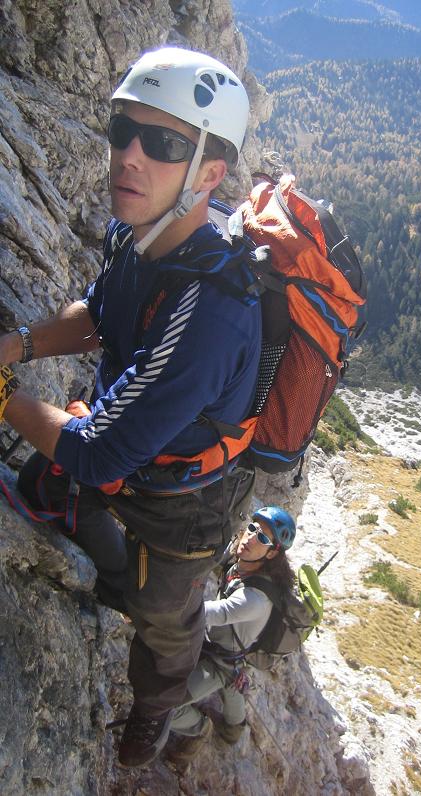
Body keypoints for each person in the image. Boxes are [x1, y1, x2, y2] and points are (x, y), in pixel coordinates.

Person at [0, 47, 261, 767]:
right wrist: (15, 347)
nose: (131, 157)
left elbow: (98, 452)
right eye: (124, 131)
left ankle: (156, 706)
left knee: (164, 621)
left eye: (165, 143)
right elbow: (103, 316)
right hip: (124, 433)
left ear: (211, 172)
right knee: (47, 483)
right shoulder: (137, 231)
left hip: (183, 502)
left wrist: (1, 395)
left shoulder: (212, 309)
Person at [166, 506, 296, 766]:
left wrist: (164, 608)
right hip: (223, 649)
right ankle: (233, 729)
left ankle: (200, 729)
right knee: (233, 683)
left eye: (263, 538)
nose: (250, 537)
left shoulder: (255, 600)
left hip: (221, 658)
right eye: (252, 528)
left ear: (272, 553)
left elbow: (216, 612)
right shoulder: (241, 559)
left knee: (168, 704)